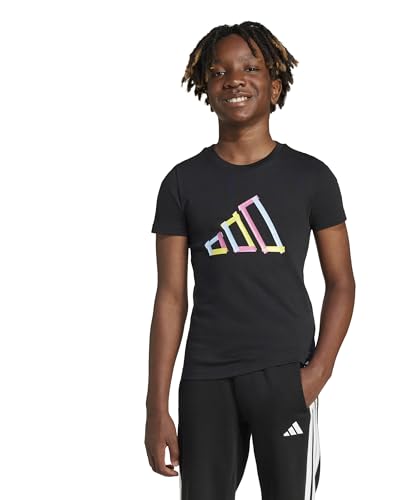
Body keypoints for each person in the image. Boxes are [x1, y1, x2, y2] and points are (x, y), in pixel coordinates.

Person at [144, 21, 356, 500]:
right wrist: (157, 406)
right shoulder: (181, 183)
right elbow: (171, 298)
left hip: (285, 375)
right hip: (206, 380)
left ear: (275, 86)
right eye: (219, 72)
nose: (234, 79)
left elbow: (342, 283)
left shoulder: (312, 178)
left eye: (250, 68)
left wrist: (318, 372)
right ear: (205, 89)